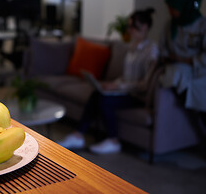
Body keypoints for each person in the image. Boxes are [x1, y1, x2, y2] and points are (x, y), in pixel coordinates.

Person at [58, 8, 159, 154]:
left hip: (137, 95)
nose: (129, 30)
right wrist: (112, 85)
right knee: (97, 93)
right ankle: (78, 135)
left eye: (132, 26)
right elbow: (127, 76)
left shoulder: (152, 50)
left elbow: (144, 84)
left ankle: (113, 140)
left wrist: (118, 86)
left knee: (104, 100)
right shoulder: (132, 46)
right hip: (124, 90)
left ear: (144, 27)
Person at [159, 0, 206, 113]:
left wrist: (186, 60)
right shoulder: (170, 25)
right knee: (174, 75)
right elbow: (162, 47)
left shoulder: (202, 25)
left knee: (199, 90)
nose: (170, 12)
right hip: (176, 68)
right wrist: (167, 57)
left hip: (199, 70)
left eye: (173, 8)